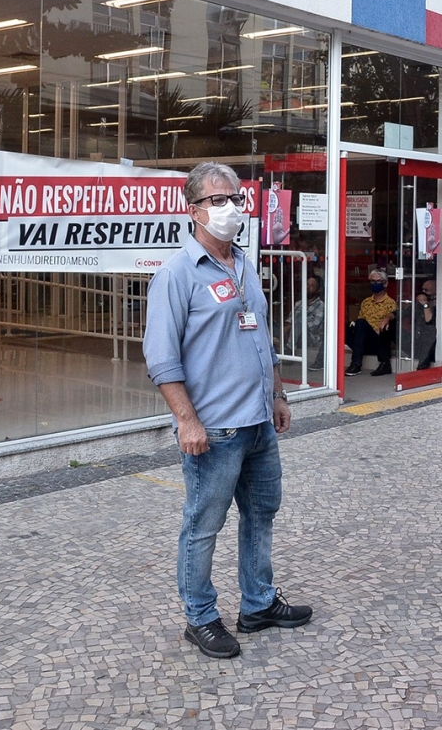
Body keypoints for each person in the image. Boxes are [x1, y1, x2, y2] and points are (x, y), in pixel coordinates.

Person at [143, 161, 312, 660]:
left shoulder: (243, 263)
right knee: (203, 525)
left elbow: (260, 335)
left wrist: (278, 394)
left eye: (234, 198)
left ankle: (258, 604)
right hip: (214, 429)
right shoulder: (176, 274)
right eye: (217, 200)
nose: (228, 208)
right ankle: (200, 617)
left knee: (261, 515)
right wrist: (186, 420)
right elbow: (161, 356)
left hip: (259, 422)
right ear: (192, 208)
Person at [345, 268, 397, 377]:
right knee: (343, 326)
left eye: (378, 281)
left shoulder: (390, 303)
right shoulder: (366, 302)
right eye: (372, 281)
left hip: (378, 341)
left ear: (385, 283)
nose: (375, 284)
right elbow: (360, 323)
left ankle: (356, 364)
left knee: (362, 323)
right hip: (363, 339)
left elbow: (391, 324)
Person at [284, 276, 324, 354]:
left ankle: (290, 349)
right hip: (292, 333)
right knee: (273, 324)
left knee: (299, 321)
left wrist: (296, 323)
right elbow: (289, 320)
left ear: (318, 290)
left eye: (312, 286)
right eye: (307, 284)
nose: (308, 288)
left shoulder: (321, 306)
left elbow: (313, 326)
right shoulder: (299, 303)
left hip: (309, 337)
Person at [414, 278, 437, 370]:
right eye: (422, 290)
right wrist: (389, 317)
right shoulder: (419, 304)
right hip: (417, 340)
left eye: (427, 290)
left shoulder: (437, 304)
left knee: (429, 330)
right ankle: (384, 364)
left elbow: (429, 321)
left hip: (433, 345)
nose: (423, 293)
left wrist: (425, 304)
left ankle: (423, 364)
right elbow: (403, 313)